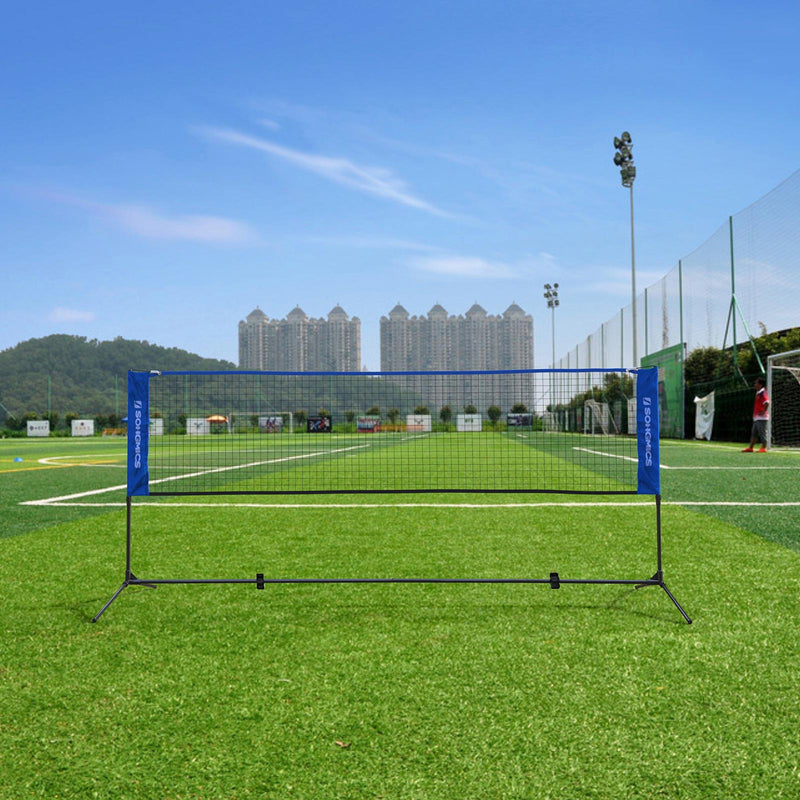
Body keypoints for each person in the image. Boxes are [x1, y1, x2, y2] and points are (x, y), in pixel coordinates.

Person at [742, 376, 769, 453]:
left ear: (760, 385)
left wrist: (764, 411)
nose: (755, 384)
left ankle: (764, 447)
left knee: (762, 433)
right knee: (754, 433)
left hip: (762, 418)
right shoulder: (758, 393)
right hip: (757, 417)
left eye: (756, 383)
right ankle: (750, 448)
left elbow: (767, 402)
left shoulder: (763, 393)